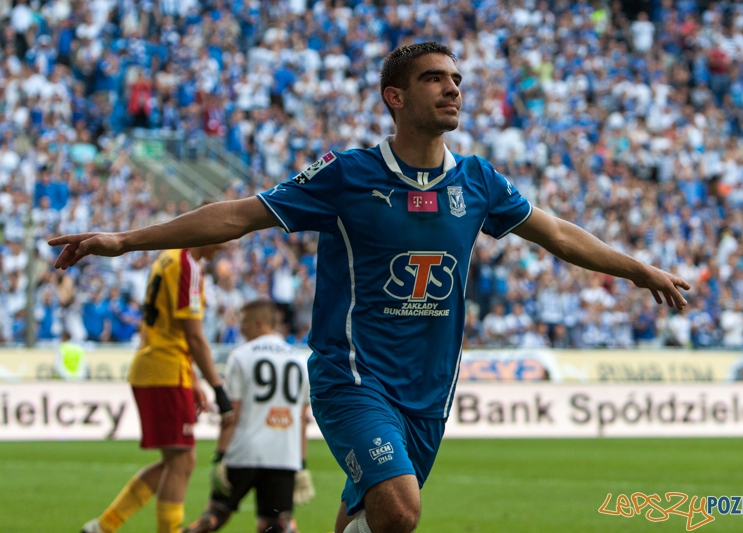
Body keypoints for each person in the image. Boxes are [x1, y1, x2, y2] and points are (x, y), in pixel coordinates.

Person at [52, 43, 689, 533]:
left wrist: (638, 269)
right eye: (435, 79)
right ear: (395, 96)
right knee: (400, 510)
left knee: (373, 516)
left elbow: (558, 234)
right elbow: (238, 215)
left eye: (457, 80)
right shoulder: (348, 174)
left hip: (430, 385)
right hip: (353, 376)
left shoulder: (480, 182)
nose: (452, 89)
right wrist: (123, 240)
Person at [80, 246, 234, 533]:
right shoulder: (189, 264)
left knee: (173, 463)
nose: (225, 247)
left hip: (154, 364)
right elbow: (194, 335)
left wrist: (193, 379)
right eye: (223, 239)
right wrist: (218, 388)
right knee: (183, 460)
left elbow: (168, 325)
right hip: (166, 369)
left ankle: (102, 527)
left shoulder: (168, 256)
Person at [183, 299, 313, 533]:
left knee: (214, 516)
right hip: (284, 455)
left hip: (244, 452)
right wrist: (301, 463)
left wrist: (220, 456)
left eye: (243, 321)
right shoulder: (300, 360)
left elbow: (231, 413)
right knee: (275, 525)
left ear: (258, 323)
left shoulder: (241, 356)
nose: (240, 327)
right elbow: (302, 420)